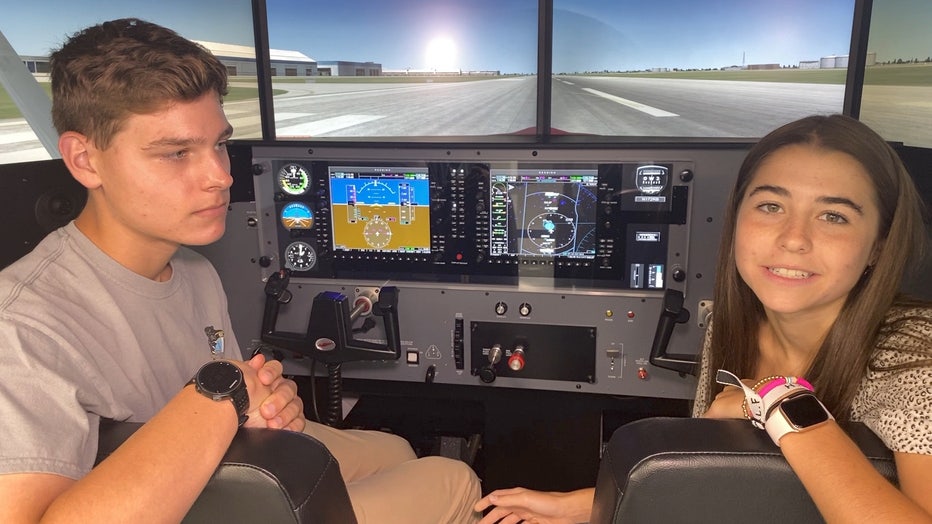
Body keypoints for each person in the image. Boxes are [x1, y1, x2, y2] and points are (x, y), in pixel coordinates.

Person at [0, 18, 480, 523]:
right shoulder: (22, 327)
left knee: (396, 450)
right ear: (84, 160)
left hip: (214, 476)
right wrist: (226, 393)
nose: (221, 176)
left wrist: (262, 404)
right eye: (176, 153)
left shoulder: (194, 272)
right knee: (453, 480)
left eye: (219, 144)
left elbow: (234, 407)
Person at [474, 114, 932, 523]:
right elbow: (722, 484)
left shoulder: (915, 357)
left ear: (878, 245)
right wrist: (586, 507)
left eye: (833, 216)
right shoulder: (734, 326)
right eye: (771, 206)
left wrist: (779, 402)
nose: (794, 238)